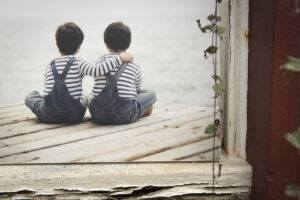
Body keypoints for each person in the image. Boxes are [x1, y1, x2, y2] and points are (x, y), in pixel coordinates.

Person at [25, 22, 132, 124]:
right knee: (85, 96)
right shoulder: (79, 63)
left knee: (31, 95)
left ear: (57, 44)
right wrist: (120, 58)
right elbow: (97, 70)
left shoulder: (50, 65)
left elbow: (48, 90)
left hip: (48, 115)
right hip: (73, 115)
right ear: (79, 46)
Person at [88, 22, 157, 125]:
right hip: (125, 115)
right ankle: (141, 112)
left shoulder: (99, 63)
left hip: (98, 115)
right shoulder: (134, 65)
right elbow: (137, 91)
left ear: (106, 45)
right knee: (151, 93)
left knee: (91, 95)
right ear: (128, 45)